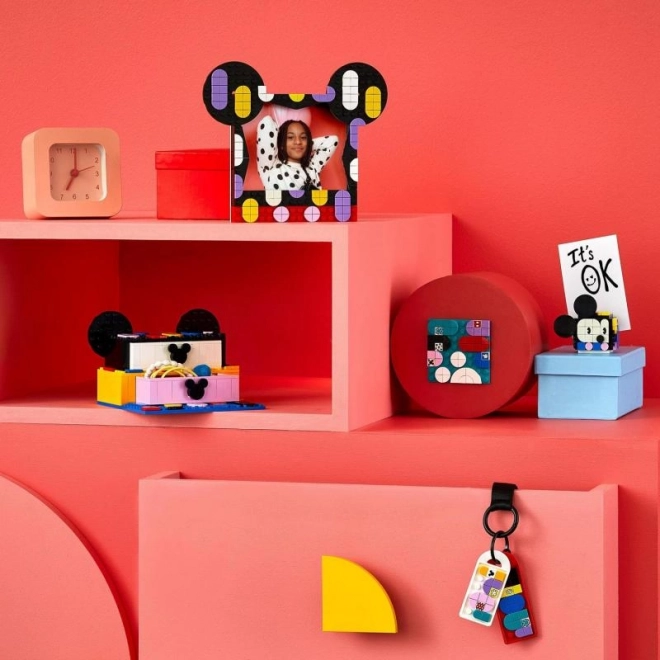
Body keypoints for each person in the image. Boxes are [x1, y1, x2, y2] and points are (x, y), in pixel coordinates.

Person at [256, 115, 338, 191]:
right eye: (290, 137)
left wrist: (307, 146)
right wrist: (281, 143)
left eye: (303, 137)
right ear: (281, 142)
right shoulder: (270, 166)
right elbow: (267, 122)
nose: (298, 141)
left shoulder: (312, 168)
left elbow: (332, 141)